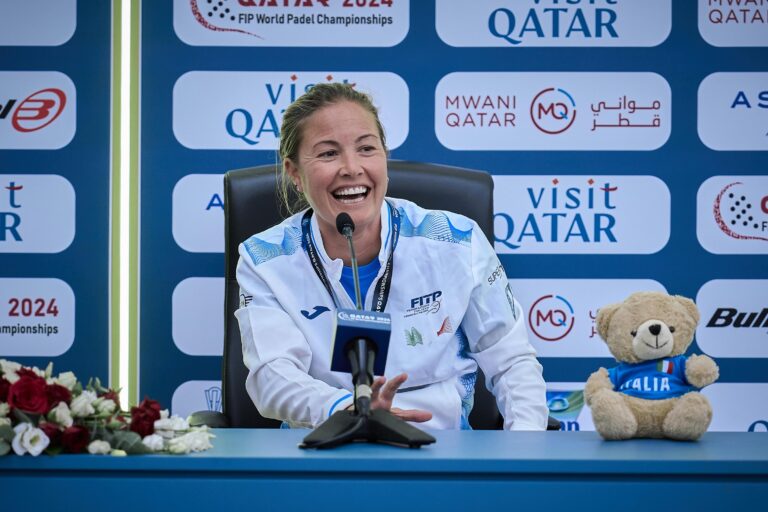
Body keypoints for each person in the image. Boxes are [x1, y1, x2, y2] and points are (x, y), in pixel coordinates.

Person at [235, 82, 547, 430]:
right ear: (294, 172)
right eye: (328, 153)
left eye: (366, 148)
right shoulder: (265, 259)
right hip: (321, 442)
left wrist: (523, 450)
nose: (351, 167)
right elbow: (272, 376)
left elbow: (512, 363)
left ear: (384, 158)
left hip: (440, 444)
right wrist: (349, 408)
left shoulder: (456, 241)